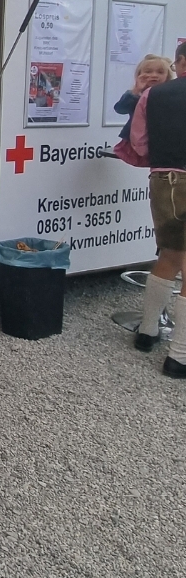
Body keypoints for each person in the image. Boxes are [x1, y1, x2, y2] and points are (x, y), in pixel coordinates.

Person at [130, 41, 186, 374]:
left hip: (164, 178)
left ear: (179, 62)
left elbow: (139, 144)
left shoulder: (153, 95)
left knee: (169, 255)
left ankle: (148, 331)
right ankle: (179, 356)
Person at [113, 54, 171, 150]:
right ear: (139, 74)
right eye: (148, 71)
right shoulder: (136, 95)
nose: (154, 75)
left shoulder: (170, 95)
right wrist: (136, 90)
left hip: (161, 142)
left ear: (167, 76)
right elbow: (120, 109)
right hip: (135, 142)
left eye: (160, 72)